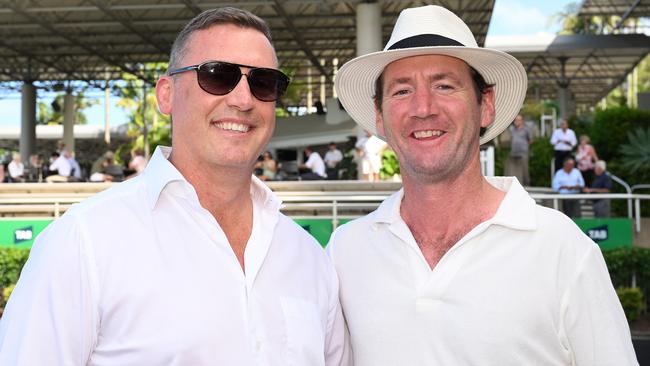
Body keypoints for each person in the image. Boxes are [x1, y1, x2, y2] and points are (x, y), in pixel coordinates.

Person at [0, 8, 351, 366]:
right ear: (166, 95)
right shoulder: (83, 242)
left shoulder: (308, 257)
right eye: (217, 76)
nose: (243, 100)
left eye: (263, 83)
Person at [328, 5, 637, 365]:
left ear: (485, 105)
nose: (423, 107)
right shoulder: (346, 251)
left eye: (444, 85)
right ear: (380, 116)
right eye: (401, 91)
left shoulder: (562, 249)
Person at [504, 114, 532, 185]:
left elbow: (530, 140)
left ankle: (527, 184)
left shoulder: (526, 129)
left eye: (518, 120)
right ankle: (517, 184)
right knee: (515, 170)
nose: (517, 121)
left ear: (522, 121)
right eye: (515, 120)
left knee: (525, 169)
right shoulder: (512, 129)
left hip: (523, 152)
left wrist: (524, 145)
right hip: (514, 152)